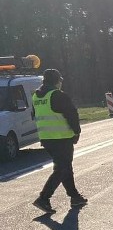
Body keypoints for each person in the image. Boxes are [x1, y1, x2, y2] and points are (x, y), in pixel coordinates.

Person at [31, 69, 87, 214]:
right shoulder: (58, 95)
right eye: (60, 80)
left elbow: (34, 115)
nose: (61, 83)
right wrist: (76, 132)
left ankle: (75, 197)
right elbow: (72, 114)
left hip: (46, 139)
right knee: (61, 169)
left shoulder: (36, 97)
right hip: (62, 138)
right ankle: (44, 198)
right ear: (56, 81)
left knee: (64, 167)